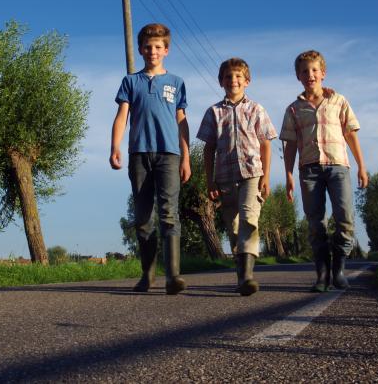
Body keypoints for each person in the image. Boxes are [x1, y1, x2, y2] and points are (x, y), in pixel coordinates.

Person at [110, 23, 192, 295]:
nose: (152, 51)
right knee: (144, 216)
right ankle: (147, 275)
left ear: (166, 50)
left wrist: (186, 157)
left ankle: (173, 276)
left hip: (169, 154)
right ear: (141, 49)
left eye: (158, 47)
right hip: (139, 154)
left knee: (169, 213)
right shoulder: (130, 81)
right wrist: (115, 146)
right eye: (148, 46)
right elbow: (122, 116)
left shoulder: (176, 82)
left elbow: (182, 121)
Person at [280, 50, 368, 292]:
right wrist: (288, 174)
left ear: (323, 73)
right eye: (305, 71)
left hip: (338, 167)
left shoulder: (338, 101)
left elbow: (350, 134)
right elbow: (290, 144)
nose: (310, 74)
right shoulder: (294, 109)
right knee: (316, 223)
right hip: (309, 171)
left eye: (314, 70)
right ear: (298, 76)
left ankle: (339, 269)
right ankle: (322, 274)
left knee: (345, 218)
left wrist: (362, 166)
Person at [196, 58, 277, 296]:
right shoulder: (214, 112)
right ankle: (241, 274)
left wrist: (266, 177)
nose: (233, 81)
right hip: (225, 176)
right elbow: (209, 148)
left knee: (249, 219)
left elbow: (265, 144)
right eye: (228, 77)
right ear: (221, 81)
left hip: (252, 173)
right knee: (233, 226)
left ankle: (248, 277)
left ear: (247, 81)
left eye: (238, 77)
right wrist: (210, 180)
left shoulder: (256, 109)